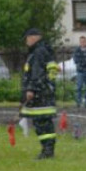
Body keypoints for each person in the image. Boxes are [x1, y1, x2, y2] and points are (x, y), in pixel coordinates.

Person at [20, 28, 59, 160]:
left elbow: (37, 73)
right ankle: (47, 149)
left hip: (40, 94)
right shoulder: (44, 51)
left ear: (34, 37)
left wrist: (31, 89)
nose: (26, 41)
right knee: (42, 122)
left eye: (27, 38)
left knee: (42, 122)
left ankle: (47, 150)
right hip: (44, 92)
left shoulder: (38, 52)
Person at [72, 35, 86, 108]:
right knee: (79, 87)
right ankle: (78, 102)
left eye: (84, 41)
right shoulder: (77, 50)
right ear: (80, 42)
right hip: (80, 71)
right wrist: (84, 61)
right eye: (81, 41)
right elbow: (76, 60)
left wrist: (84, 61)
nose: (83, 43)